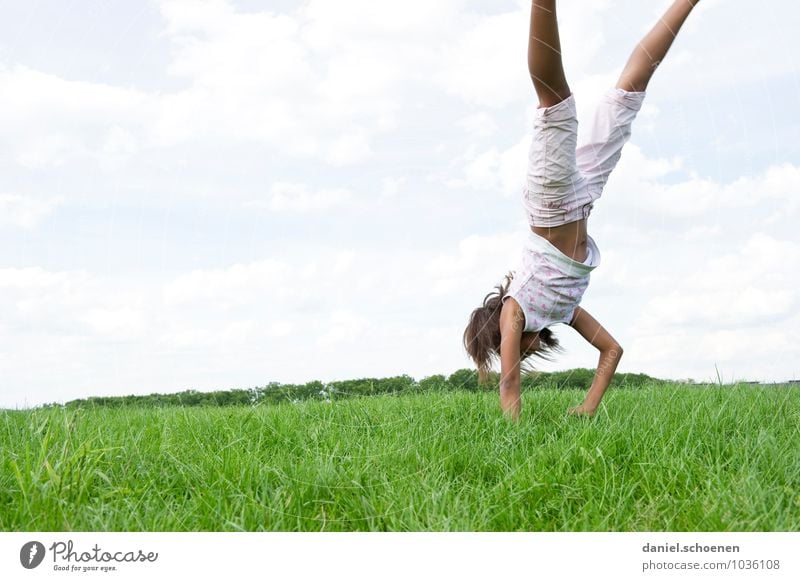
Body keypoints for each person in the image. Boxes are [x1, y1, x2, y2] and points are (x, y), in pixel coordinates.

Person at [463, 0, 701, 421]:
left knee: (556, 104)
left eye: (508, 350)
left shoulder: (515, 311)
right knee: (628, 93)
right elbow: (613, 349)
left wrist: (514, 438)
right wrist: (588, 406)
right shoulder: (560, 310)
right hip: (583, 195)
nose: (520, 353)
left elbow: (510, 384)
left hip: (550, 204)